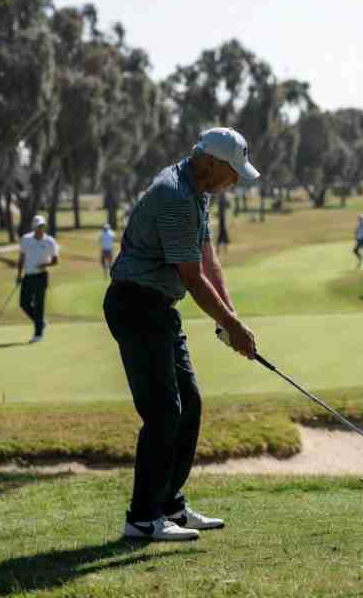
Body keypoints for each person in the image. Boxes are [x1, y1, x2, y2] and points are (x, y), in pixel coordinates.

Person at [105, 127, 259, 542]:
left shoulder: (197, 192)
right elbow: (191, 277)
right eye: (232, 172)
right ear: (210, 163)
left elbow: (207, 259)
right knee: (163, 414)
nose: (235, 181)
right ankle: (142, 519)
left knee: (188, 405)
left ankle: (168, 505)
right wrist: (233, 327)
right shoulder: (174, 196)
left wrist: (230, 318)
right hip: (136, 306)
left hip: (159, 308)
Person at [17, 215, 60, 343]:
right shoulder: (26, 239)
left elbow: (55, 260)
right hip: (28, 275)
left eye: (42, 226)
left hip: (41, 276)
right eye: (38, 226)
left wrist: (44, 264)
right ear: (34, 227)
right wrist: (19, 275)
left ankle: (38, 334)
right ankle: (40, 322)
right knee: (23, 303)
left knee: (39, 305)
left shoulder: (50, 241)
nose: (41, 229)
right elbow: (21, 258)